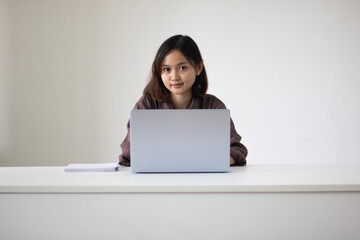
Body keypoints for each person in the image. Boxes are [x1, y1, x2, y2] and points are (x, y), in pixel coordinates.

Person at [119, 34, 247, 167]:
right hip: (155, 181)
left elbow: (237, 150)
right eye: (166, 69)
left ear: (198, 67)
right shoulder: (146, 105)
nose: (174, 77)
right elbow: (129, 152)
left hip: (203, 180)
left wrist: (209, 161)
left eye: (182, 68)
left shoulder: (213, 106)